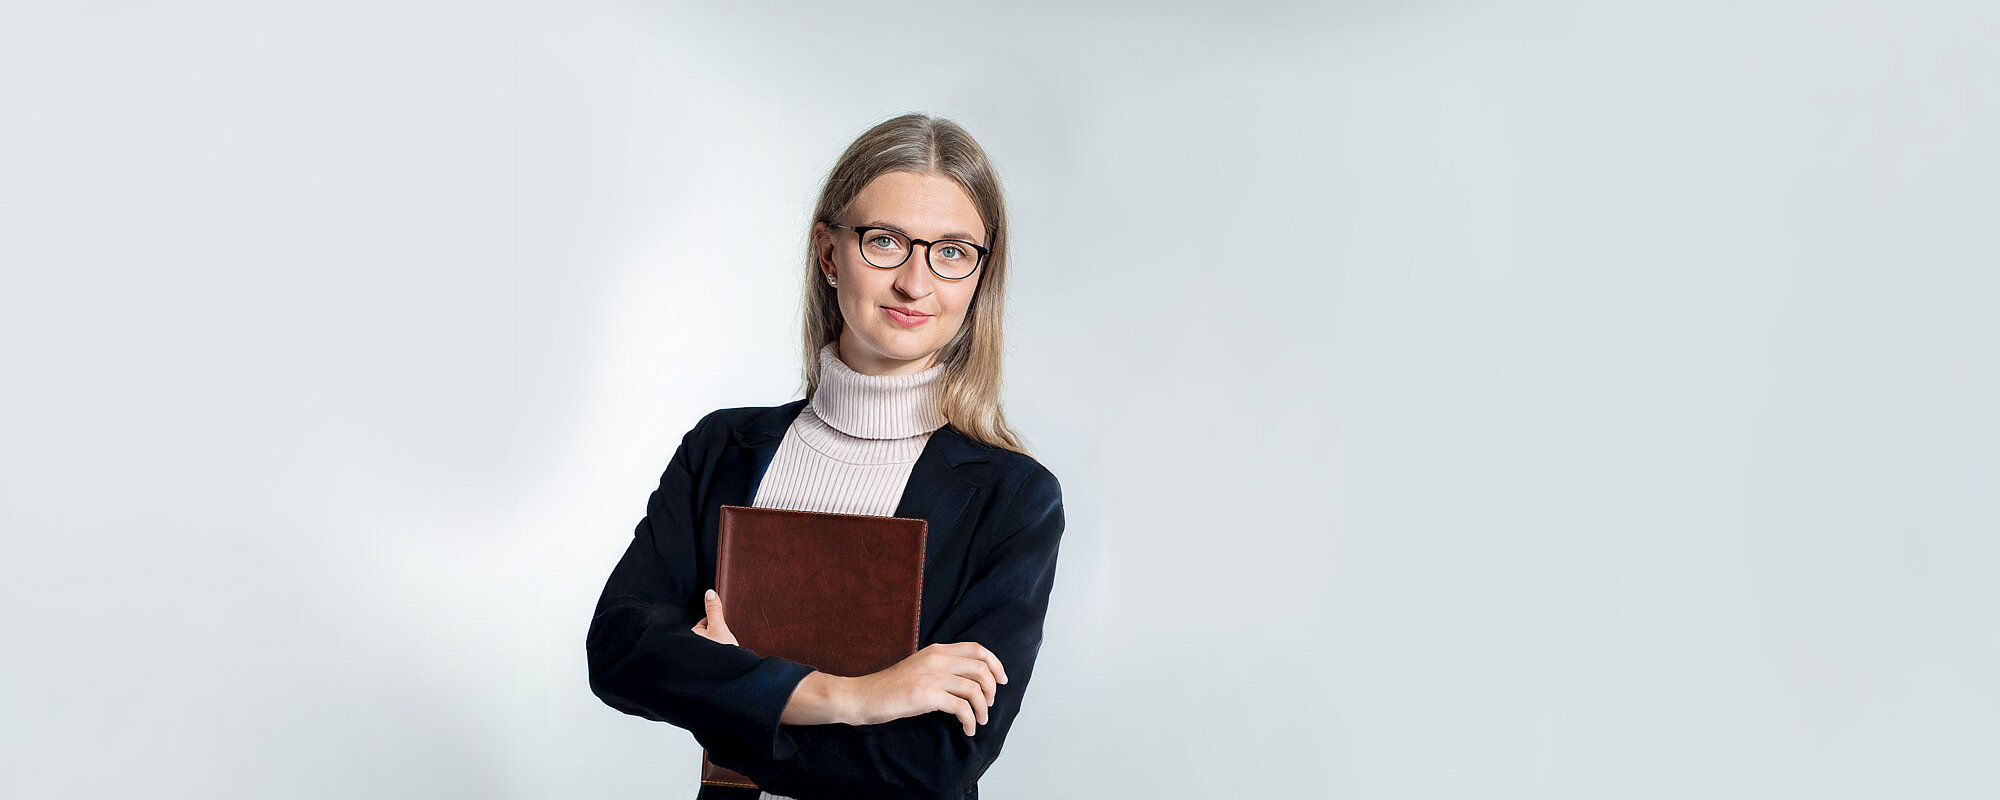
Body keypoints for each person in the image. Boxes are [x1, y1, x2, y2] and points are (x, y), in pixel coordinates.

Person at [585, 113, 1067, 800]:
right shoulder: (721, 449)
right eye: (885, 242)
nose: (916, 282)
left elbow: (932, 762)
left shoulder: (1014, 499)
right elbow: (619, 650)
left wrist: (725, 696)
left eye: (953, 252)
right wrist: (852, 697)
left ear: (979, 275)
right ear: (829, 253)